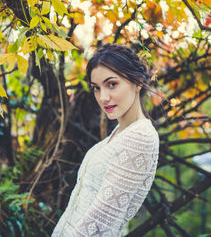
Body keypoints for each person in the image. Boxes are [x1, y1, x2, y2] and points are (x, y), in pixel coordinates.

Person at [52, 44, 159, 237]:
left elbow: (101, 218)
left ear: (137, 83)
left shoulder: (141, 137)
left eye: (112, 84)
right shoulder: (121, 133)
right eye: (96, 88)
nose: (103, 97)